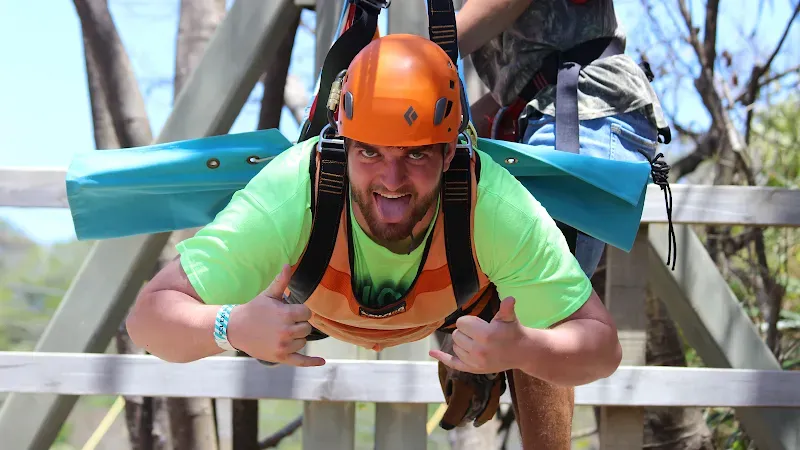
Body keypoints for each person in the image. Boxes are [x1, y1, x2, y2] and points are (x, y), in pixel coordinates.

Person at [125, 33, 623, 449]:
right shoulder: (291, 192)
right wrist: (231, 326)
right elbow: (147, 320)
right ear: (342, 142)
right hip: (318, 307)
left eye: (416, 156)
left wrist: (524, 349)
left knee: (539, 330)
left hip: (464, 306)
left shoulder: (491, 203)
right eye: (369, 152)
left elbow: (602, 349)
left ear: (450, 150)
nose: (391, 182)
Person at [452, 0, 672, 445]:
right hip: (538, 108)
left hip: (583, 104)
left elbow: (451, 38)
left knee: (541, 303)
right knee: (519, 298)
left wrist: (397, 59)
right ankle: (480, 340)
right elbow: (513, 73)